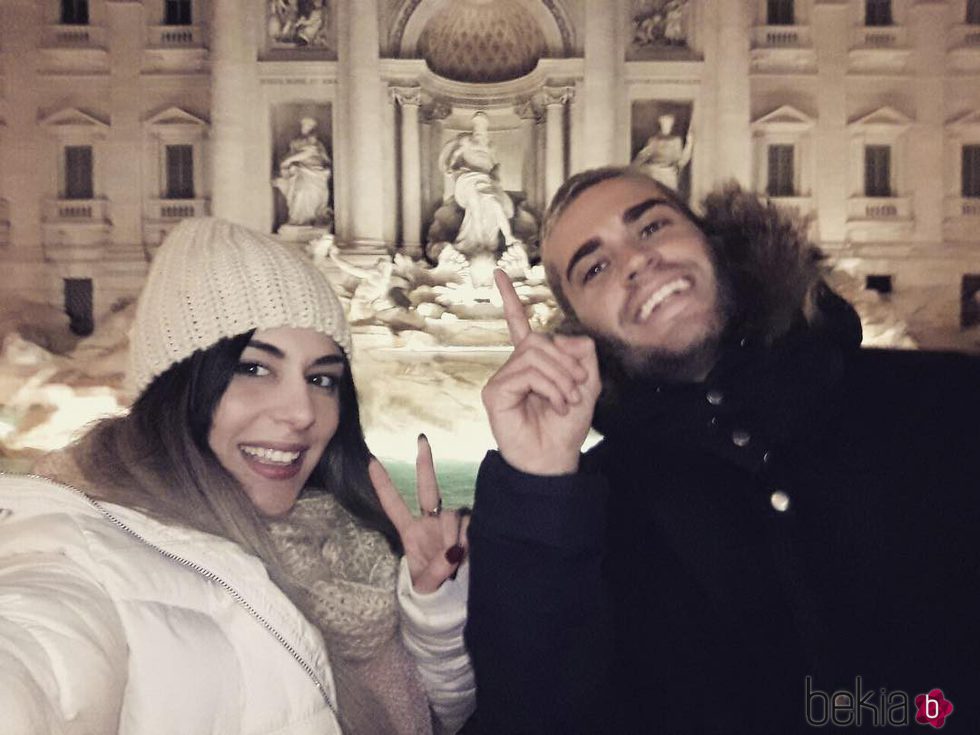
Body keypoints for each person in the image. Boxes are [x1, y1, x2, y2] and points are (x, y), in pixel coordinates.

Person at [465, 167, 980, 732]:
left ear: (716, 241)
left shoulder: (945, 400)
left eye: (652, 226)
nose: (636, 261)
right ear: (579, 328)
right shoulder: (590, 513)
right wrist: (537, 486)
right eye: (595, 267)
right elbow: (532, 714)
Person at [0, 218, 474, 734]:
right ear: (178, 385)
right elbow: (39, 666)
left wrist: (432, 612)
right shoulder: (85, 553)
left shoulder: (347, 542)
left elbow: (432, 712)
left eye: (321, 378)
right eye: (253, 368)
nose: (301, 411)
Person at [438, 112, 520, 254]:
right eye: (477, 125)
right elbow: (455, 154)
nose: (479, 130)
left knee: (495, 205)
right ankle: (477, 243)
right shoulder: (466, 141)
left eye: (482, 126)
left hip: (485, 181)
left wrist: (496, 180)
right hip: (468, 179)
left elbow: (494, 165)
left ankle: (504, 238)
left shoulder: (490, 146)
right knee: (475, 206)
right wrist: (450, 168)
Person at [273, 117, 332, 227]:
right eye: (304, 125)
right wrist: (288, 162)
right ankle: (298, 219)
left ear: (313, 128)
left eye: (309, 126)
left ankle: (308, 219)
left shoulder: (316, 143)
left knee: (308, 194)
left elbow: (312, 153)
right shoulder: (296, 142)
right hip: (299, 171)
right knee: (298, 194)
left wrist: (288, 161)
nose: (305, 127)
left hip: (315, 173)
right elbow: (292, 154)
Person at [632, 112, 693, 192]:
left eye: (668, 124)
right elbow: (643, 156)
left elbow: (681, 161)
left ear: (672, 125)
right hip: (655, 173)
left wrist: (690, 143)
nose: (666, 126)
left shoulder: (676, 141)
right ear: (660, 125)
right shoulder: (654, 141)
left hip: (669, 174)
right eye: (664, 124)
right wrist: (635, 167)